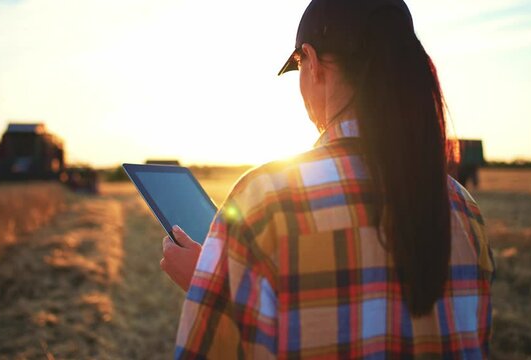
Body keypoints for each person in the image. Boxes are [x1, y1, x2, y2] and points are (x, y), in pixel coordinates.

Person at [161, 0, 495, 358]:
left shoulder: (266, 202)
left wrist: (213, 290)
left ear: (313, 62)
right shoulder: (465, 211)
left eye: (299, 67)